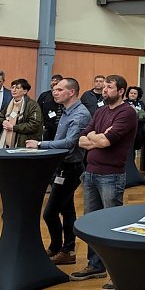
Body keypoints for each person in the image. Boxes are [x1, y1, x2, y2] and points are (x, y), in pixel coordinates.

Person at [71, 75, 138, 290]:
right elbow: (81, 140)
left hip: (111, 175)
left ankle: (118, 273)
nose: (104, 90)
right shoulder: (100, 112)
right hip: (90, 173)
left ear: (121, 91)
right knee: (92, 223)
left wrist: (94, 138)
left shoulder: (126, 112)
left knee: (112, 224)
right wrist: (94, 137)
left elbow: (105, 141)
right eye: (104, 86)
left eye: (109, 87)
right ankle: (95, 266)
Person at [25, 78, 91, 265]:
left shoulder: (79, 114)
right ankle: (66, 250)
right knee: (66, 209)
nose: (55, 92)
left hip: (71, 168)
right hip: (62, 166)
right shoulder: (66, 111)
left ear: (72, 92)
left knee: (50, 213)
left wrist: (39, 144)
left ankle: (59, 248)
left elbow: (69, 143)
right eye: (54, 89)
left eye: (60, 89)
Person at [0, 79, 43, 148]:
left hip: (24, 145)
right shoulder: (10, 104)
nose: (14, 90)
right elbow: (0, 117)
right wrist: (4, 121)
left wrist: (13, 127)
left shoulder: (32, 105)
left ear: (25, 91)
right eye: (12, 87)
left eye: (17, 88)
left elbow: (34, 125)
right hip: (7, 146)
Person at [37, 74, 63, 141]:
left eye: (57, 80)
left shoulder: (64, 96)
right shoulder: (44, 95)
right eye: (52, 80)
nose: (54, 82)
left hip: (61, 127)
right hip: (47, 128)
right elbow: (38, 110)